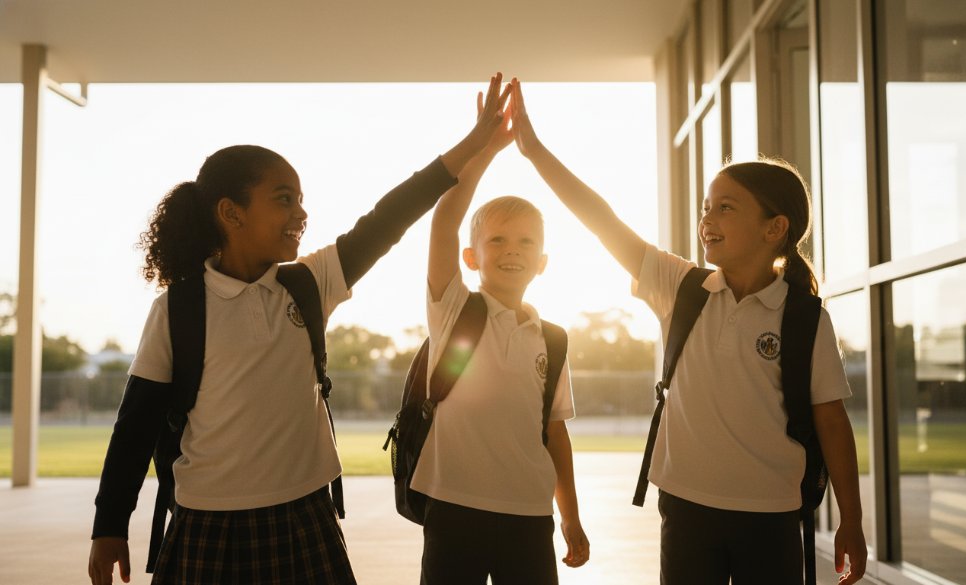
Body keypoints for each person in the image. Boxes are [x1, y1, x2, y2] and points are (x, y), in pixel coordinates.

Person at [87, 73, 513, 585]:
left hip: (304, 517)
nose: (301, 213)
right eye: (283, 199)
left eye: (301, 200)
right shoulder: (178, 310)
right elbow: (135, 427)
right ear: (231, 213)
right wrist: (109, 525)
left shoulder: (308, 284)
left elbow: (389, 217)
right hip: (206, 521)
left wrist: (473, 144)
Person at [508, 78, 867, 585]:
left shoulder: (806, 318)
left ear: (774, 228)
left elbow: (832, 422)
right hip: (685, 507)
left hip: (772, 514)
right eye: (706, 207)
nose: (707, 219)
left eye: (726, 207)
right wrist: (534, 151)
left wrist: (851, 519)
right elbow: (601, 220)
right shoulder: (682, 287)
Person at [413, 86, 589, 585]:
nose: (513, 250)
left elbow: (554, 433)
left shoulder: (551, 339)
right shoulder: (453, 309)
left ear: (544, 261)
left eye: (527, 241)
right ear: (472, 257)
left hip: (529, 515)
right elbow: (445, 221)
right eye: (497, 239)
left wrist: (570, 517)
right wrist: (484, 148)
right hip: (453, 509)